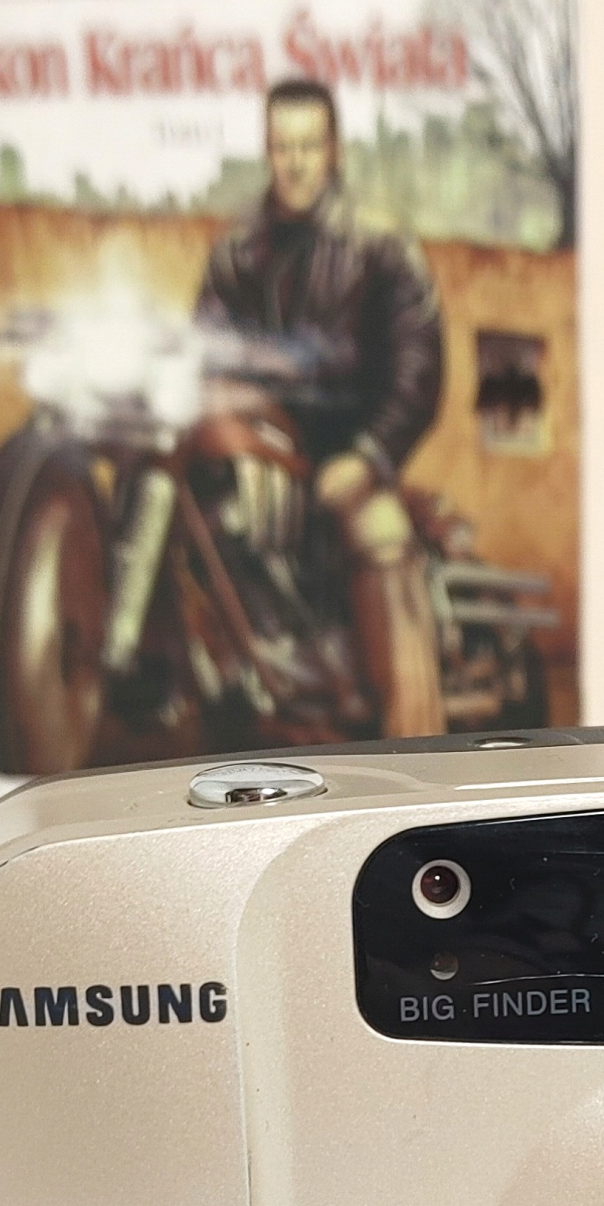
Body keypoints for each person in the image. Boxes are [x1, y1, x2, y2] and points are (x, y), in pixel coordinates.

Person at [194, 79, 446, 736]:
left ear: (333, 149)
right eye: (284, 147)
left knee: (382, 539)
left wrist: (367, 457)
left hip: (347, 458)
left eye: (309, 146)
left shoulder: (379, 246)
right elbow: (206, 347)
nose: (296, 163)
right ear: (267, 150)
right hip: (262, 455)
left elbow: (419, 369)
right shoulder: (237, 251)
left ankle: (416, 745)